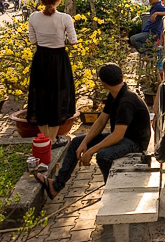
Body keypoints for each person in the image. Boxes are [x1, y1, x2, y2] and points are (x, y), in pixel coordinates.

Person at [33, 63, 151, 199]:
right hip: (123, 137)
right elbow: (101, 121)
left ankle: (113, 194)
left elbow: (117, 136)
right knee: (77, 142)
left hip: (135, 142)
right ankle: (56, 186)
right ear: (122, 77)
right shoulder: (114, 95)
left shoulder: (126, 101)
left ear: (102, 83)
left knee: (103, 155)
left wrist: (91, 151)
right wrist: (85, 142)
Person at [27, 0, 77, 148]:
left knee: (41, 95)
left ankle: (44, 138)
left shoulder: (33, 17)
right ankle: (53, 139)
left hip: (41, 59)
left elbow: (33, 41)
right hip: (58, 61)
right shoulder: (65, 18)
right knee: (58, 95)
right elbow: (73, 40)